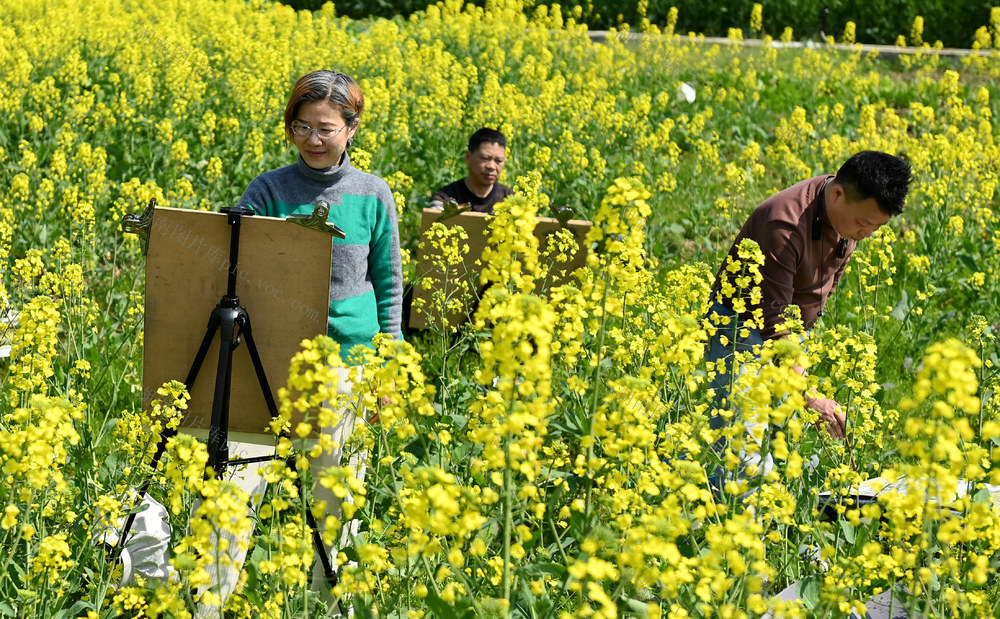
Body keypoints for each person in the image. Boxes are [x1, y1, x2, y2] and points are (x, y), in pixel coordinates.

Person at [197, 69, 402, 614]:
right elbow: (239, 262)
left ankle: (324, 603)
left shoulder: (373, 194)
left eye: (327, 128)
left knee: (336, 494)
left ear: (351, 129)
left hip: (347, 361)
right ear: (290, 129)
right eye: (302, 127)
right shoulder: (267, 188)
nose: (314, 139)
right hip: (268, 358)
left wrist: (388, 370)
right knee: (234, 487)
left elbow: (388, 285)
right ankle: (210, 605)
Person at [705, 150, 911, 478]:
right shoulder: (784, 224)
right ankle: (718, 524)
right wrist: (809, 395)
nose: (866, 234)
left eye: (876, 227)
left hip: (788, 333)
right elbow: (773, 324)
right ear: (838, 194)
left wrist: (801, 375)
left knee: (777, 450)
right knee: (741, 456)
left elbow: (827, 286)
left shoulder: (844, 216)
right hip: (742, 331)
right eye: (863, 223)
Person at [429, 128, 513, 214]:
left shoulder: (510, 199)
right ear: (468, 157)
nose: (491, 166)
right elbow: (435, 222)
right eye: (485, 158)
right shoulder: (444, 198)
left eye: (498, 161)